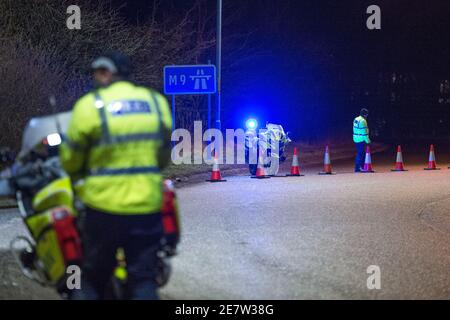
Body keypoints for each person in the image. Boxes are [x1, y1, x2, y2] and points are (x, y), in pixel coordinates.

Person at [59, 51, 172, 299]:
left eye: (97, 73)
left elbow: (70, 161)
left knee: (90, 278)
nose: (94, 78)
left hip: (103, 208)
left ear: (107, 73)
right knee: (143, 279)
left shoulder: (89, 106)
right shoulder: (156, 103)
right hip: (146, 206)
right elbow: (163, 158)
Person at [353, 108, 371, 172]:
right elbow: (364, 132)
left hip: (356, 138)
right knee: (361, 153)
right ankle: (359, 167)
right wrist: (368, 141)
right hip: (361, 139)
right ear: (365, 114)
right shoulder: (363, 121)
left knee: (359, 153)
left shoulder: (356, 119)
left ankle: (358, 167)